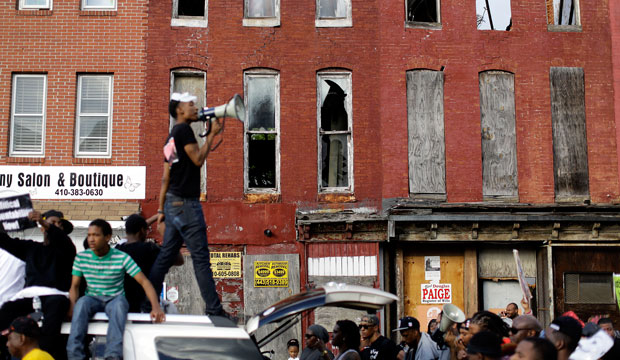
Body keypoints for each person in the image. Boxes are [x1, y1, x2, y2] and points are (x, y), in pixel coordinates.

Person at [148, 92, 226, 317]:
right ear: (179, 110)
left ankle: (146, 301)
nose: (195, 107)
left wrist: (162, 210)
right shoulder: (184, 130)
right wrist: (211, 136)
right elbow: (198, 160)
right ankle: (214, 309)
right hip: (187, 204)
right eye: (190, 104)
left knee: (165, 257)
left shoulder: (170, 138)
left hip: (173, 203)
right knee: (200, 258)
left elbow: (165, 177)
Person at [66, 219, 165, 360]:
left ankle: (113, 355)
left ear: (107, 237)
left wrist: (156, 307)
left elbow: (145, 282)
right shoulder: (81, 258)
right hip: (92, 298)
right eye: (89, 235)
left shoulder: (122, 257)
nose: (91, 239)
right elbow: (74, 286)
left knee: (119, 306)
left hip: (115, 298)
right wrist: (72, 307)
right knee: (81, 304)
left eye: (96, 235)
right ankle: (75, 355)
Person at [0, 210, 76, 360]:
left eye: (59, 224)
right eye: (53, 222)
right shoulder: (32, 248)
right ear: (41, 228)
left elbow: (62, 241)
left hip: (55, 295)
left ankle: (44, 354)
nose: (56, 226)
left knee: (52, 323)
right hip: (30, 295)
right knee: (6, 310)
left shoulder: (66, 249)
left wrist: (44, 223)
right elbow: (6, 242)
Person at [115, 214, 183, 313]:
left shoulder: (117, 250)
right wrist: (168, 235)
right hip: (148, 308)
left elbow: (134, 230)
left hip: (122, 307)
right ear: (143, 230)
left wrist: (156, 216)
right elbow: (179, 260)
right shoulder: (149, 249)